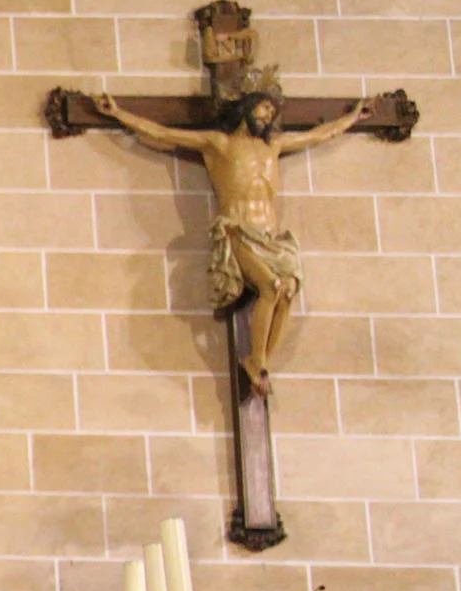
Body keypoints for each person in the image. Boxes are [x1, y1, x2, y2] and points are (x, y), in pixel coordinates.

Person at [93, 82, 372, 396]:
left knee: (289, 292)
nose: (268, 117)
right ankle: (258, 360)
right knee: (272, 286)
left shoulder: (274, 146)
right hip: (240, 231)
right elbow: (163, 133)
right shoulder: (219, 144)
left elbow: (319, 135)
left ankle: (262, 360)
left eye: (271, 113)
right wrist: (118, 114)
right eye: (263, 109)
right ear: (246, 109)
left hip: (273, 236)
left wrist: (352, 119)